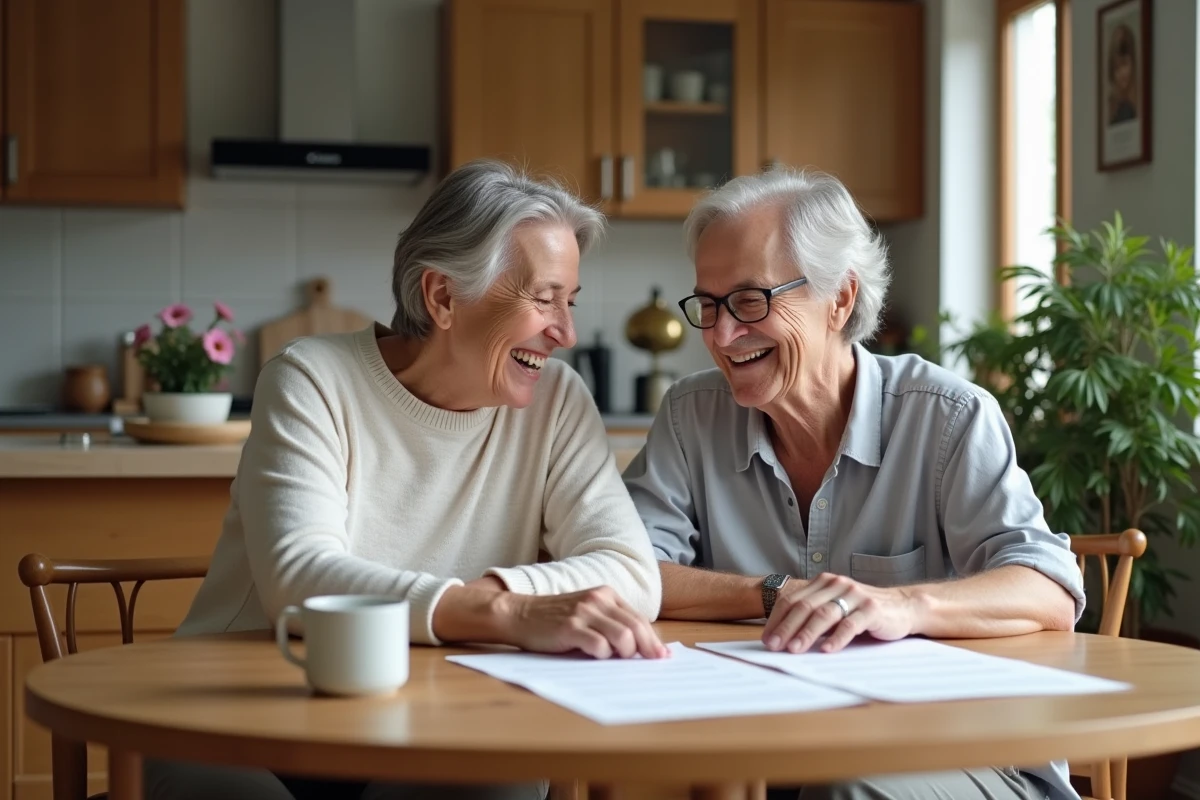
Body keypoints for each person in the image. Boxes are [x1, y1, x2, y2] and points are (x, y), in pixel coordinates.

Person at [149, 159, 666, 800]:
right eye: (543, 298)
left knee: (496, 787)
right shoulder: (310, 377)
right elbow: (300, 575)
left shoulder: (558, 401)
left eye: (570, 300)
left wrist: (508, 598)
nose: (565, 331)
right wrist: (503, 611)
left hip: (436, 715)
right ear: (443, 297)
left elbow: (633, 573)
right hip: (246, 711)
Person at [623, 169, 1085, 800]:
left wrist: (900, 606)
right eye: (709, 305)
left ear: (839, 298)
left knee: (845, 786)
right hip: (761, 748)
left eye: (751, 300)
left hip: (964, 748)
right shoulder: (690, 414)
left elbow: (1049, 589)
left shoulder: (947, 417)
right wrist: (777, 594)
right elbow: (627, 570)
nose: (722, 335)